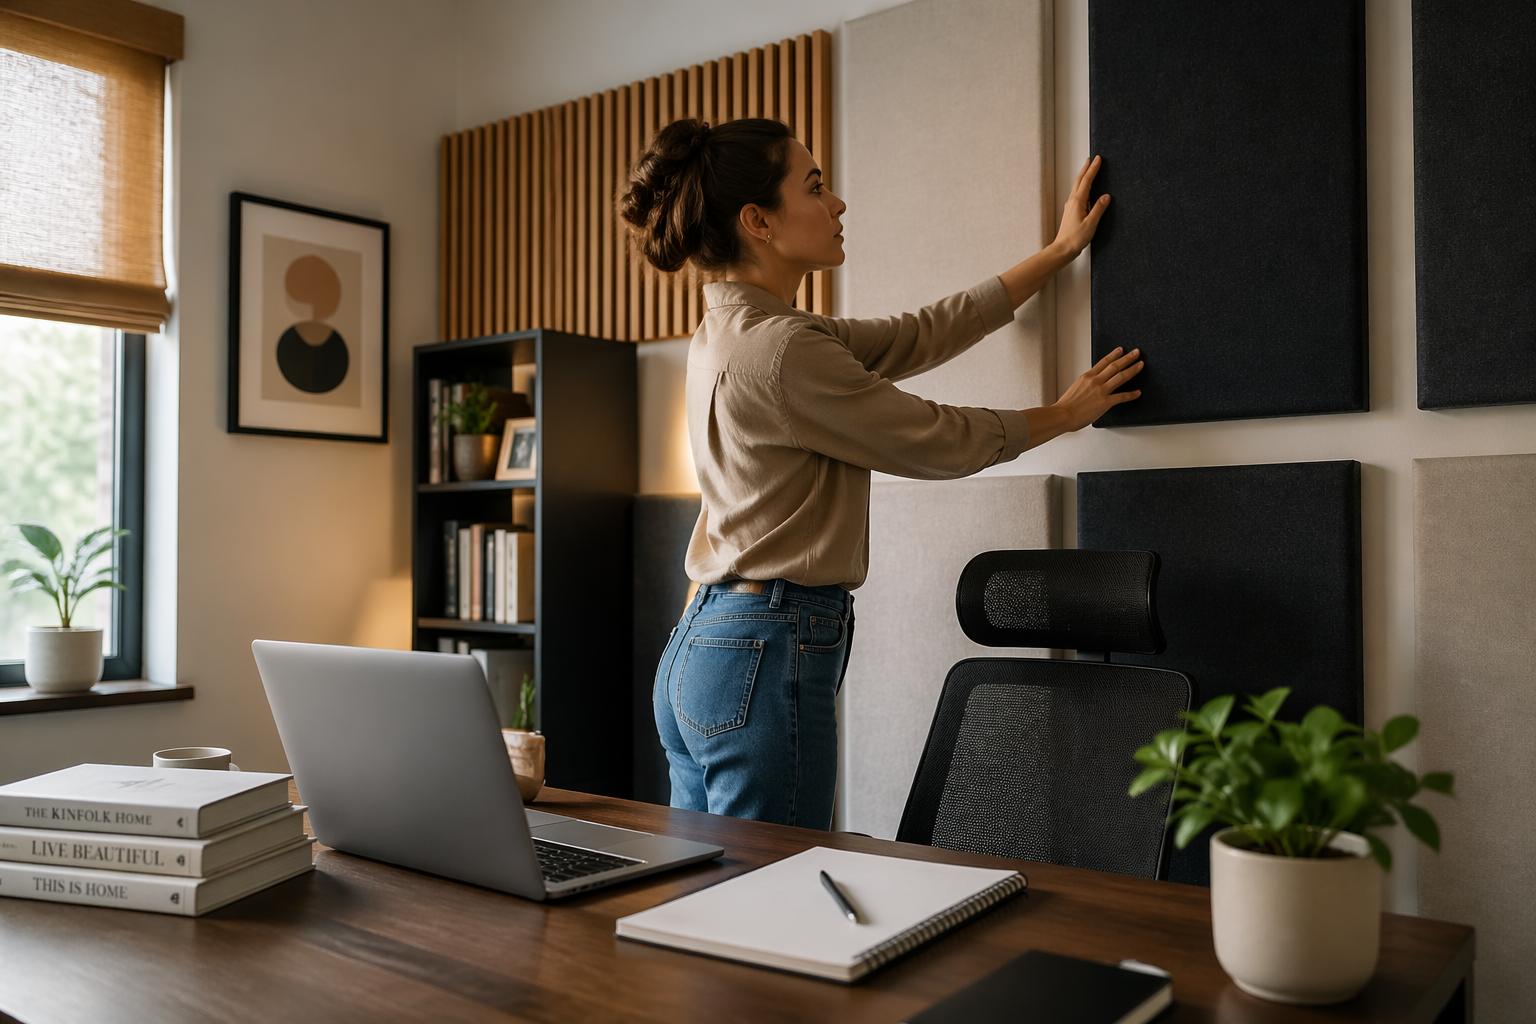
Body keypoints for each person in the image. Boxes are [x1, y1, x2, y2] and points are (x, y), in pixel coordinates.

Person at [621, 117, 1142, 830]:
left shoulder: (733, 332)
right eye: (815, 187)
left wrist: (1056, 254)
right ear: (757, 221)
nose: (837, 204)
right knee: (766, 894)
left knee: (704, 896)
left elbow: (920, 332)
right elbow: (936, 440)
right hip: (764, 647)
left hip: (705, 644)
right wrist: (1063, 412)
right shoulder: (781, 351)